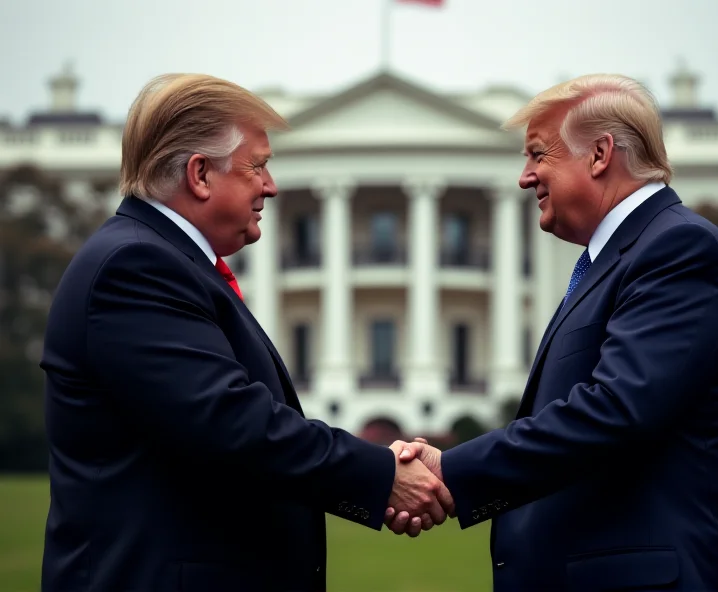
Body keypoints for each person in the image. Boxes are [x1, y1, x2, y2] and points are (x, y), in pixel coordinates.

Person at [39, 73, 453, 592]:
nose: (272, 186)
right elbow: (234, 424)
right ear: (200, 174)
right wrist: (381, 475)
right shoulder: (137, 265)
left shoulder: (169, 262)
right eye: (258, 166)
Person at [390, 74, 718, 591]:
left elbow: (615, 410)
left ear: (600, 153)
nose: (524, 177)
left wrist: (453, 470)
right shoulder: (613, 260)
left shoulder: (677, 250)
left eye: (539, 154)